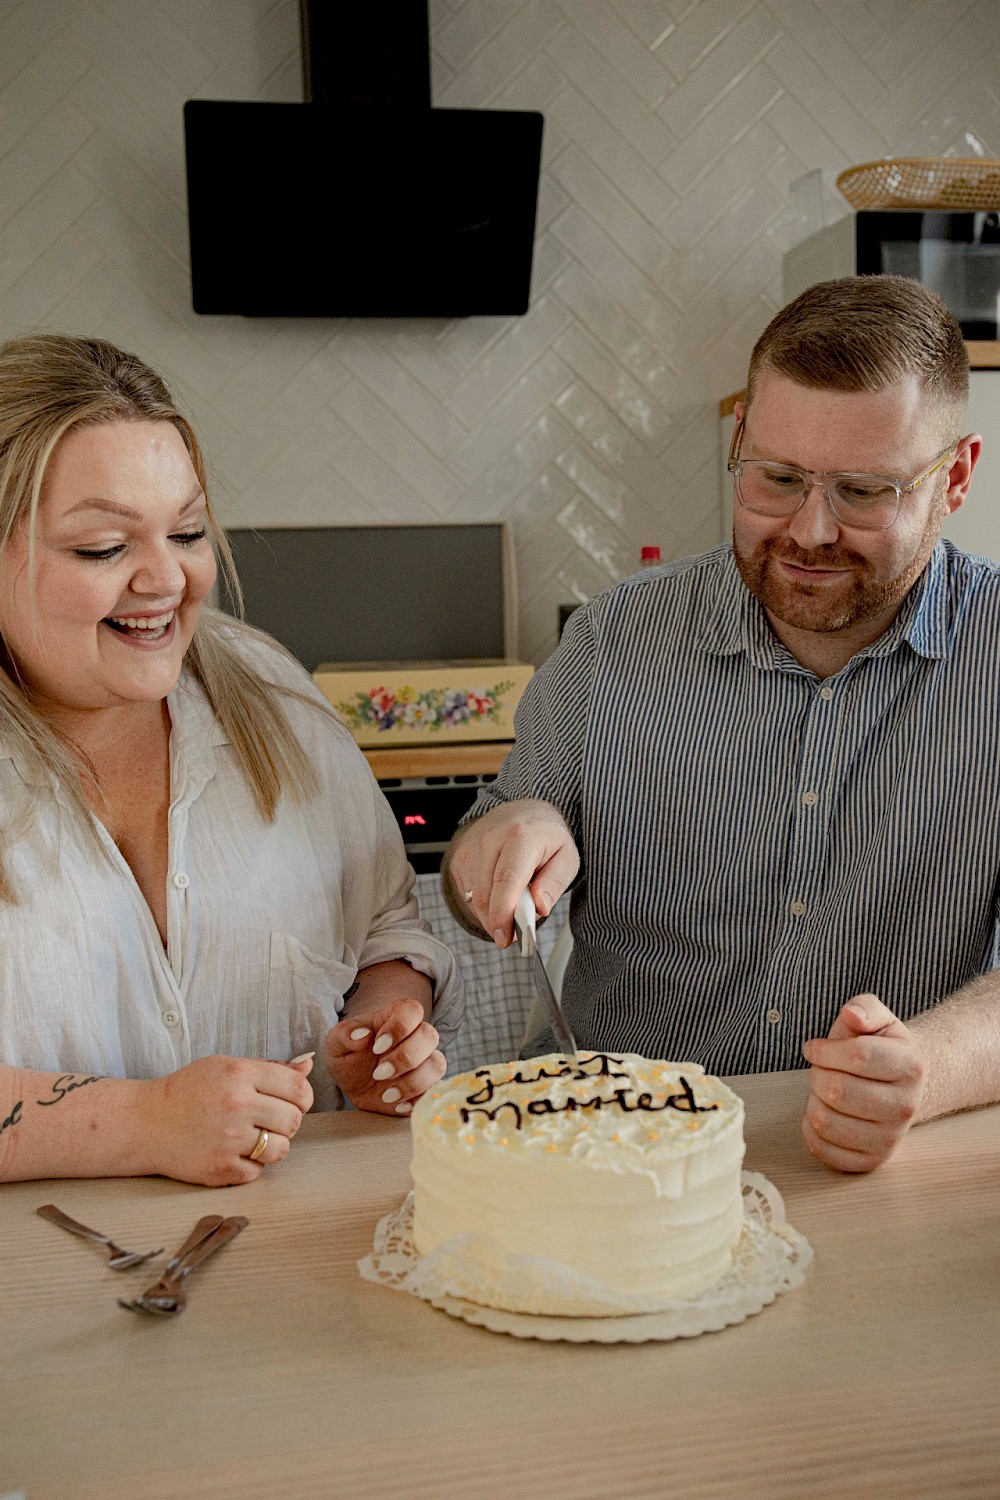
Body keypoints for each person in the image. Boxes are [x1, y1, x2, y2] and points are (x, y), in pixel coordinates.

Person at [444, 274, 1000, 1175]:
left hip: (870, 1173)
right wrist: (498, 848)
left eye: (864, 491)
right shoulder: (615, 638)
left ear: (959, 477)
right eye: (777, 479)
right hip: (607, 1154)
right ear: (740, 444)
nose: (811, 531)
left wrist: (925, 1071)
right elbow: (481, 877)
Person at [0, 333, 460, 1187]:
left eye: (186, 531)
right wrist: (139, 1124)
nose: (166, 579)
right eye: (103, 547)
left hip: (297, 1260)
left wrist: (378, 1033)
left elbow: (386, 932)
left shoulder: (269, 691)